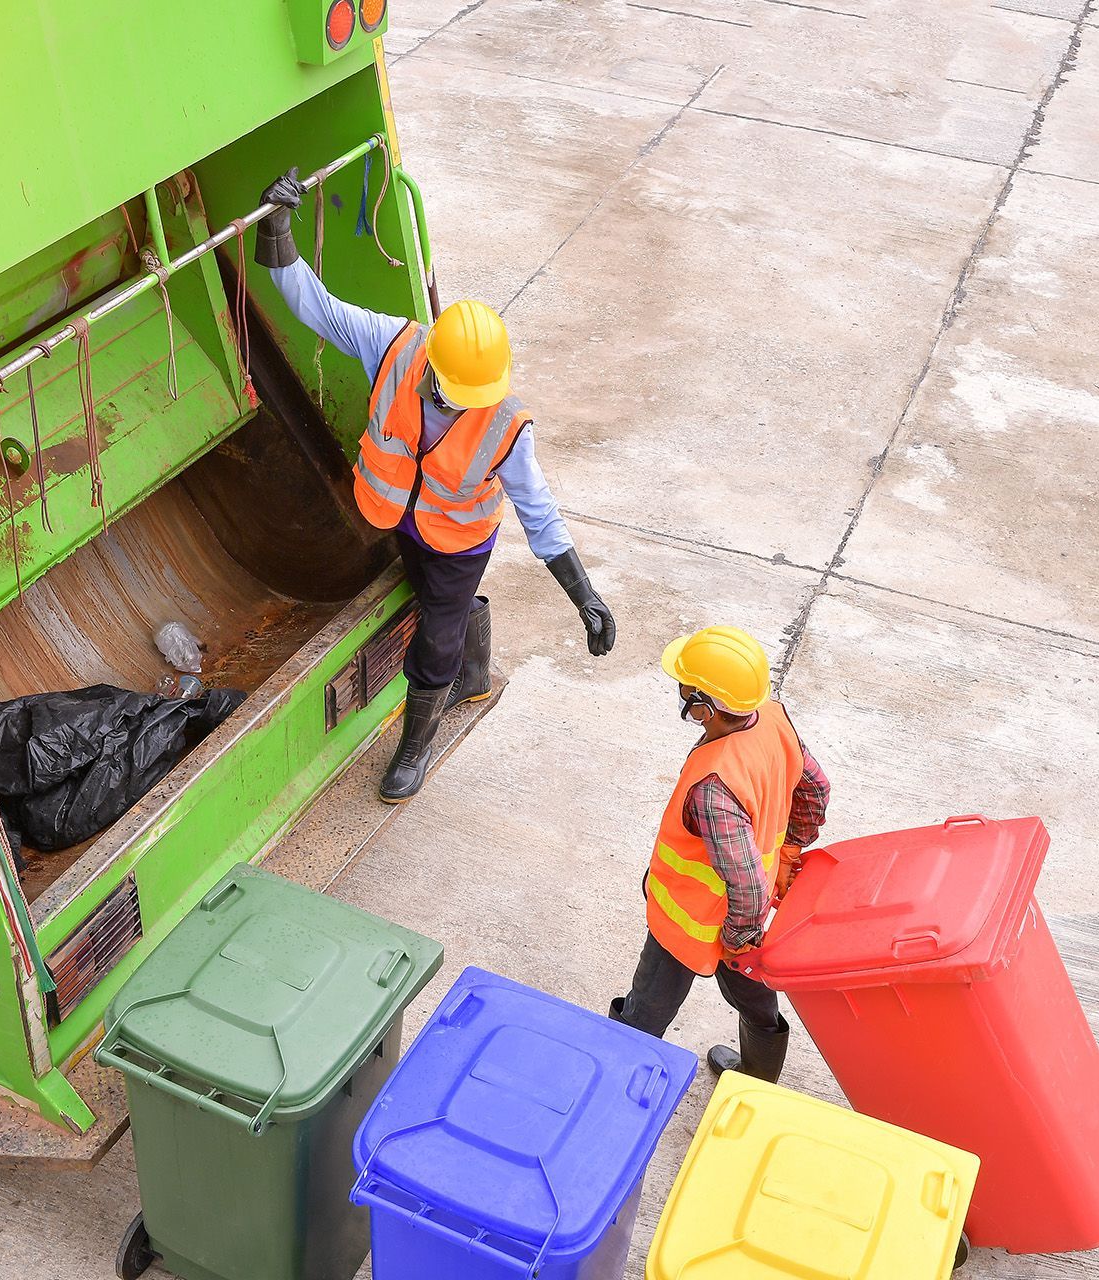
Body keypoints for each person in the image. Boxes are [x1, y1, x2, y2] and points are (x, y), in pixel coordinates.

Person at [254, 167, 616, 803]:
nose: (472, 404)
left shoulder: (507, 425)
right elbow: (316, 306)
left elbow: (540, 515)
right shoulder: (398, 345)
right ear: (436, 368)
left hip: (459, 545)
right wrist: (276, 231)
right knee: (441, 605)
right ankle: (474, 672)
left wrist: (583, 596)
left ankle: (417, 742)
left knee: (435, 633)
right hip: (400, 523)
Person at [609, 625, 831, 1083]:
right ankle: (754, 1079)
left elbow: (745, 884)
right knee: (756, 1003)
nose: (682, 698)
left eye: (686, 691)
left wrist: (735, 934)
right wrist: (790, 847)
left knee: (645, 1014)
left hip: (689, 922)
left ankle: (613, 1089)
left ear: (705, 708)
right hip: (743, 920)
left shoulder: (714, 787)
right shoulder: (773, 717)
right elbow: (815, 787)